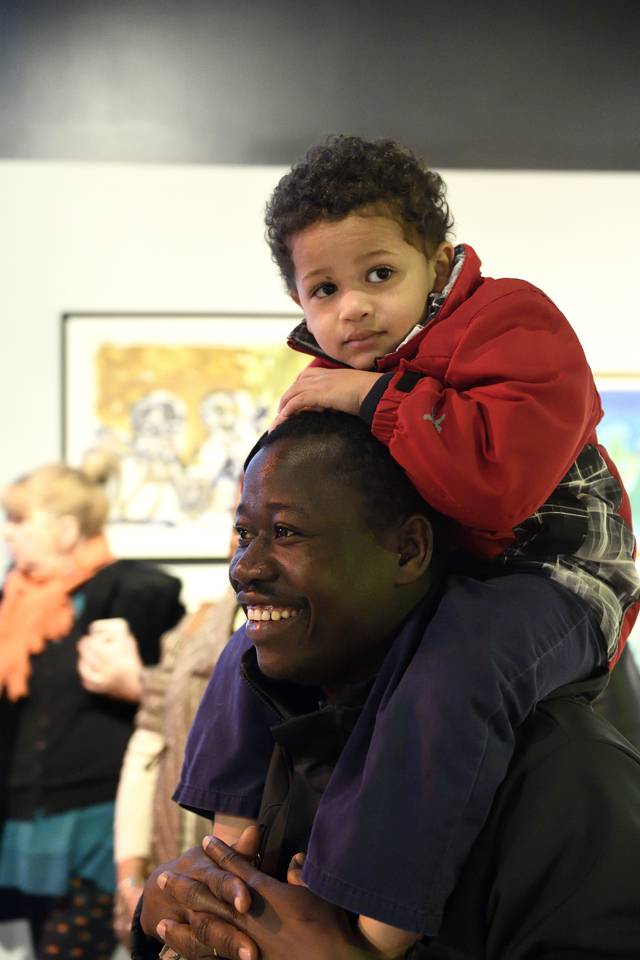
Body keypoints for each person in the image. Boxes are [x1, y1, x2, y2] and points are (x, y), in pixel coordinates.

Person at [169, 136, 640, 945]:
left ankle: (376, 918)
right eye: (323, 288)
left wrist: (371, 397)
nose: (351, 307)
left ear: (440, 260)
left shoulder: (511, 323)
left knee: (459, 667)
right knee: (250, 646)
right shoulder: (337, 373)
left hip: (557, 569)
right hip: (457, 570)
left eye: (378, 274)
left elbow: (495, 490)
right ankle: (227, 843)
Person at [132, 411, 640, 959]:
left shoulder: (566, 770)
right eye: (244, 533)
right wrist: (160, 919)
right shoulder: (284, 725)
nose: (245, 568)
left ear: (408, 550)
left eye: (285, 533)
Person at [0, 461, 185, 960]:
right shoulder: (15, 599)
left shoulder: (121, 592)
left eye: (19, 521)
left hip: (90, 815)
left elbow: (157, 595)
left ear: (65, 530)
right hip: (26, 811)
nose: (7, 533)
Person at [113, 589, 241, 947]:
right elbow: (148, 747)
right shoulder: (197, 624)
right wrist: (130, 879)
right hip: (170, 866)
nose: (241, 543)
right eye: (240, 531)